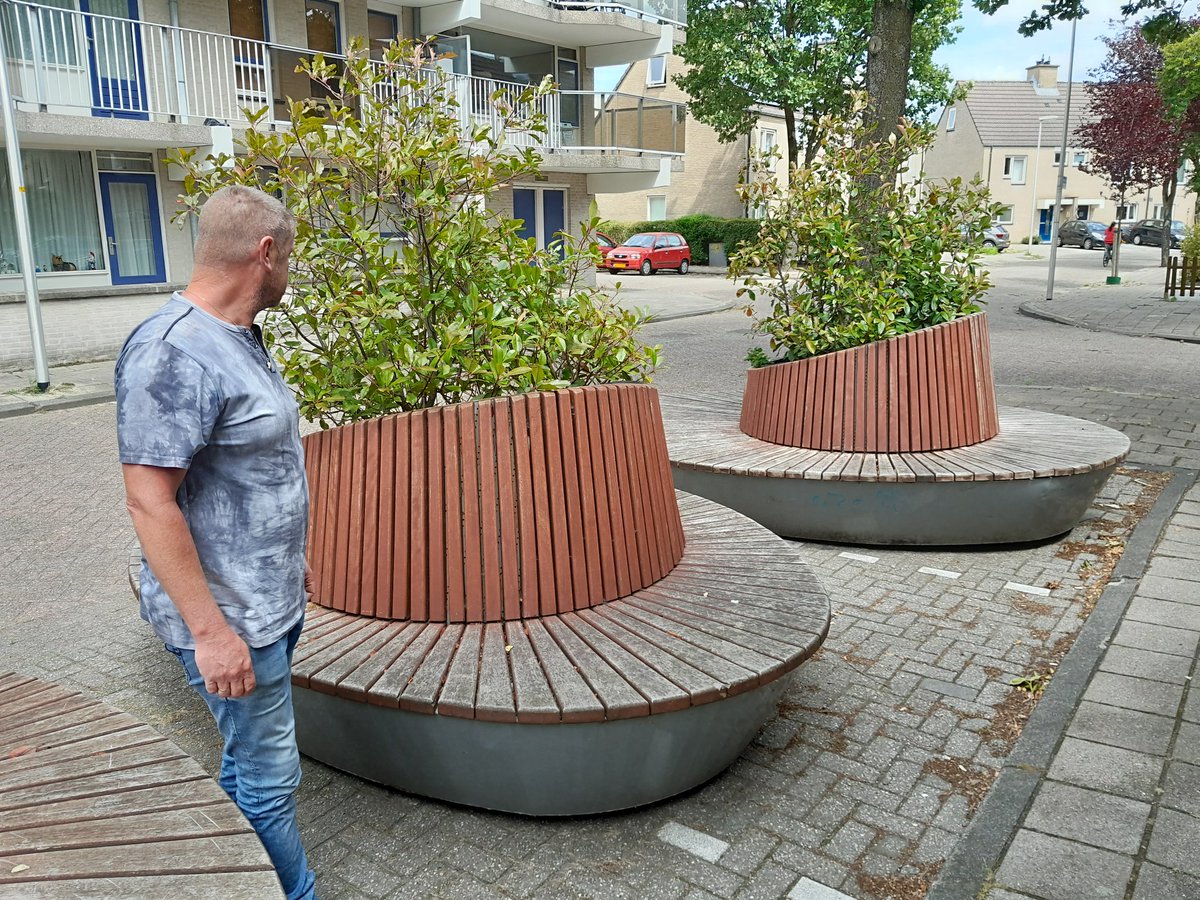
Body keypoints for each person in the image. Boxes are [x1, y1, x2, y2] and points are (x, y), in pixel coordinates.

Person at [115, 185, 316, 900]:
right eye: (288, 256)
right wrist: (212, 634)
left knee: (245, 763)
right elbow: (149, 500)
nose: (291, 271)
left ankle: (232, 877)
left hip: (269, 607)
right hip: (230, 624)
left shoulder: (237, 337)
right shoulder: (173, 352)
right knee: (269, 780)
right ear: (264, 254)